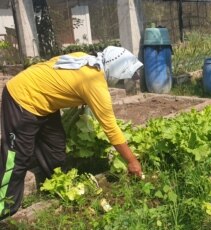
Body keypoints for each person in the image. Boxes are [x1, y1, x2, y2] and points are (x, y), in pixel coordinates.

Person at [0, 46, 144, 219]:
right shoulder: (95, 83)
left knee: (55, 149)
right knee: (16, 158)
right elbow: (111, 128)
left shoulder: (88, 61)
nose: (123, 81)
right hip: (21, 97)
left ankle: (53, 190)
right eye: (123, 76)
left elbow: (56, 66)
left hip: (45, 101)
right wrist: (132, 161)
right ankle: (6, 210)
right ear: (114, 71)